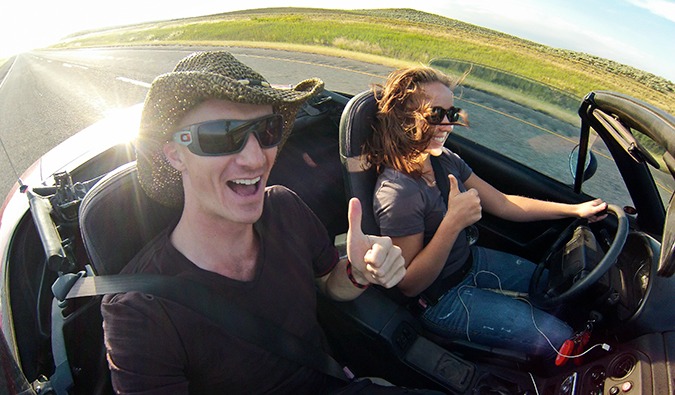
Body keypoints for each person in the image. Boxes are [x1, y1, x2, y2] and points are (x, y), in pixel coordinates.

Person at [100, 51, 442, 394]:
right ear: (175, 153)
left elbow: (328, 284)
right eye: (220, 135)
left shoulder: (283, 207)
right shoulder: (140, 312)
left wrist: (358, 272)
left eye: (267, 129)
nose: (254, 159)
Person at [362, 66, 608, 358]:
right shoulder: (398, 192)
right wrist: (453, 223)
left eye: (452, 114)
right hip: (442, 298)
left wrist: (574, 209)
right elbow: (410, 284)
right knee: (560, 338)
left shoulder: (443, 159)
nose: (448, 124)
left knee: (555, 285)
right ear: (403, 119)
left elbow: (504, 203)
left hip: (470, 263)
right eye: (435, 114)